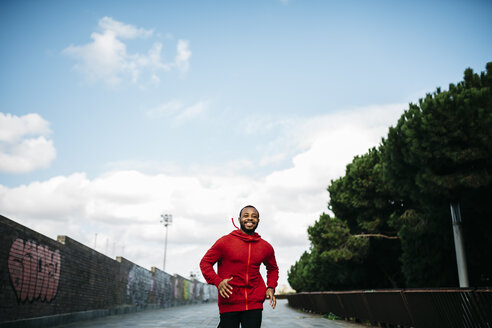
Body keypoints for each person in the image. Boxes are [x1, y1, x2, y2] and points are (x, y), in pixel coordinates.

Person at [200, 205, 279, 328]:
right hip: (229, 302)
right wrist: (218, 281)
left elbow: (273, 268)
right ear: (239, 219)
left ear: (258, 220)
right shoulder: (224, 242)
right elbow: (205, 263)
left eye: (254, 216)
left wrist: (271, 287)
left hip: (254, 303)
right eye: (246, 215)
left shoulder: (265, 247)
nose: (250, 219)